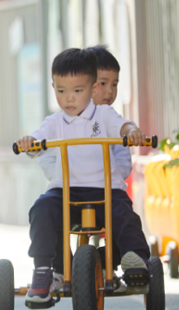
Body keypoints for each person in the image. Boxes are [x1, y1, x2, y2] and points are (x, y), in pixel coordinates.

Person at [16, 48, 151, 305]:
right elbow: (38, 139)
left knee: (124, 216)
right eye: (61, 91)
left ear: (92, 88)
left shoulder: (103, 115)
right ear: (53, 87)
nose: (69, 99)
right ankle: (44, 270)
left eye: (77, 91)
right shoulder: (55, 122)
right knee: (42, 209)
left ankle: (137, 263)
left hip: (105, 191)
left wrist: (132, 131)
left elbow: (122, 125)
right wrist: (29, 142)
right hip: (66, 191)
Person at [38, 44, 131, 269]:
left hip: (104, 187)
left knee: (125, 222)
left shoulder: (109, 118)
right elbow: (46, 153)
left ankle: (119, 261)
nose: (108, 91)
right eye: (102, 83)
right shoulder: (58, 121)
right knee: (48, 213)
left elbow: (123, 156)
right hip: (71, 188)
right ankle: (59, 267)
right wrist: (65, 175)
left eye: (113, 84)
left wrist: (109, 174)